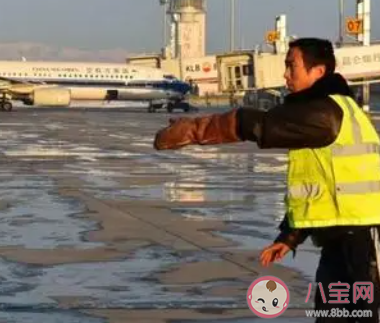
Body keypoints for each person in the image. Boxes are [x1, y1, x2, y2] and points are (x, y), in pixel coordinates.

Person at [154, 37, 380, 322]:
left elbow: (260, 126)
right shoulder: (325, 112)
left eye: (291, 66)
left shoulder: (325, 114)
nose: (285, 74)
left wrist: (195, 129)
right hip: (340, 239)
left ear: (318, 72)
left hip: (361, 242)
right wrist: (291, 236)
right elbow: (321, 188)